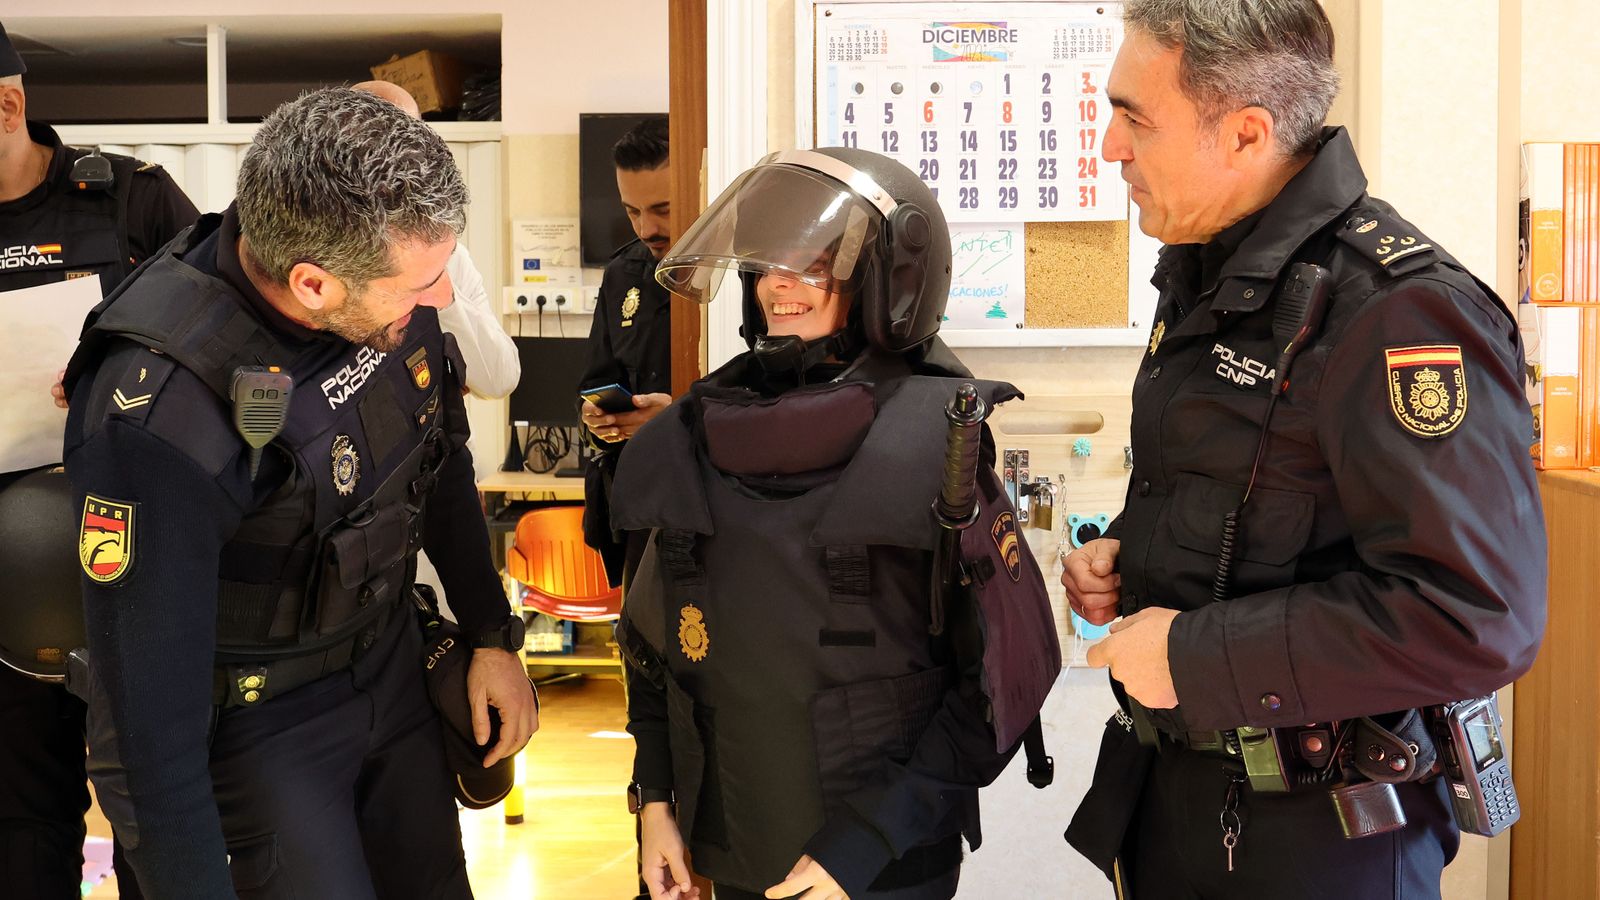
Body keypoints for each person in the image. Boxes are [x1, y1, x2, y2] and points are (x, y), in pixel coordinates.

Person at [1059, 2, 1547, 897]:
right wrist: (1133, 558)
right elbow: (1247, 500)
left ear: (1244, 134)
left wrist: (1192, 655)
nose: (1109, 148)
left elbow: (1473, 614)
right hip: (1181, 804)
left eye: (1134, 117)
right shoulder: (1213, 275)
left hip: (1319, 841)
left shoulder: (1397, 312)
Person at [60, 87, 537, 899]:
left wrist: (493, 633)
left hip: (389, 668)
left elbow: (437, 457)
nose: (440, 300)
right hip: (259, 730)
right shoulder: (161, 419)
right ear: (313, 285)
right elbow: (142, 732)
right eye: (421, 286)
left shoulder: (386, 290)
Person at [613, 147, 1060, 900]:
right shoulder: (688, 440)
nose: (778, 286)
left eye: (813, 264)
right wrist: (655, 801)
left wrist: (865, 844)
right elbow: (654, 655)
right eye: (765, 266)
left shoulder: (933, 446)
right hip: (727, 848)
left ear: (891, 282)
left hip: (879, 869)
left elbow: (1000, 685)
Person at [0, 19, 198, 899]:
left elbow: (228, 342)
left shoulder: (129, 200)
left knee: (151, 804)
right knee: (18, 815)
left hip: (137, 564)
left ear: (8, 105)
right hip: (8, 579)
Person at [353, 80, 520, 400]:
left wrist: (440, 293)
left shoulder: (449, 258)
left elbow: (500, 379)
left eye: (411, 141)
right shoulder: (321, 257)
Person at [578, 115, 674, 583]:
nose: (646, 228)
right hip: (635, 507)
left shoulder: (740, 273)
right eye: (633, 211)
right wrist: (598, 418)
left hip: (714, 505)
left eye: (664, 208)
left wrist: (677, 417)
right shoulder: (622, 274)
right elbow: (596, 379)